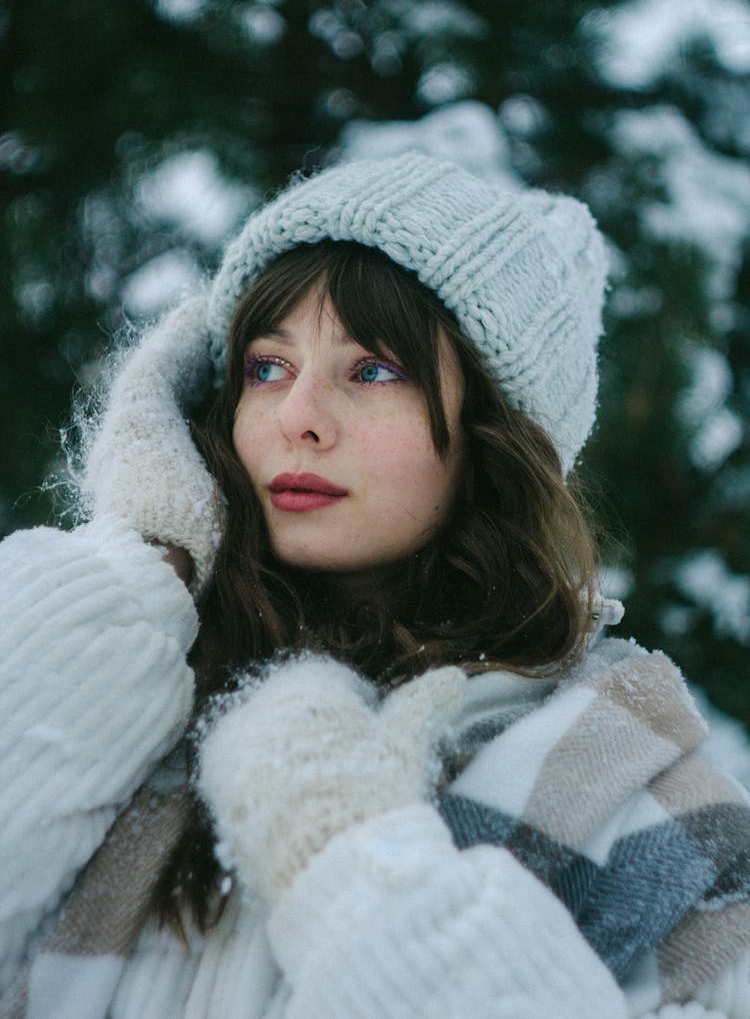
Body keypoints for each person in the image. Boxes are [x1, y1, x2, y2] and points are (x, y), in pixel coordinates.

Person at [0, 152, 748, 1019]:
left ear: (492, 435)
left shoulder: (630, 786)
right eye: (266, 367)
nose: (298, 417)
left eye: (373, 370)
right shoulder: (136, 694)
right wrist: (138, 574)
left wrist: (346, 845)